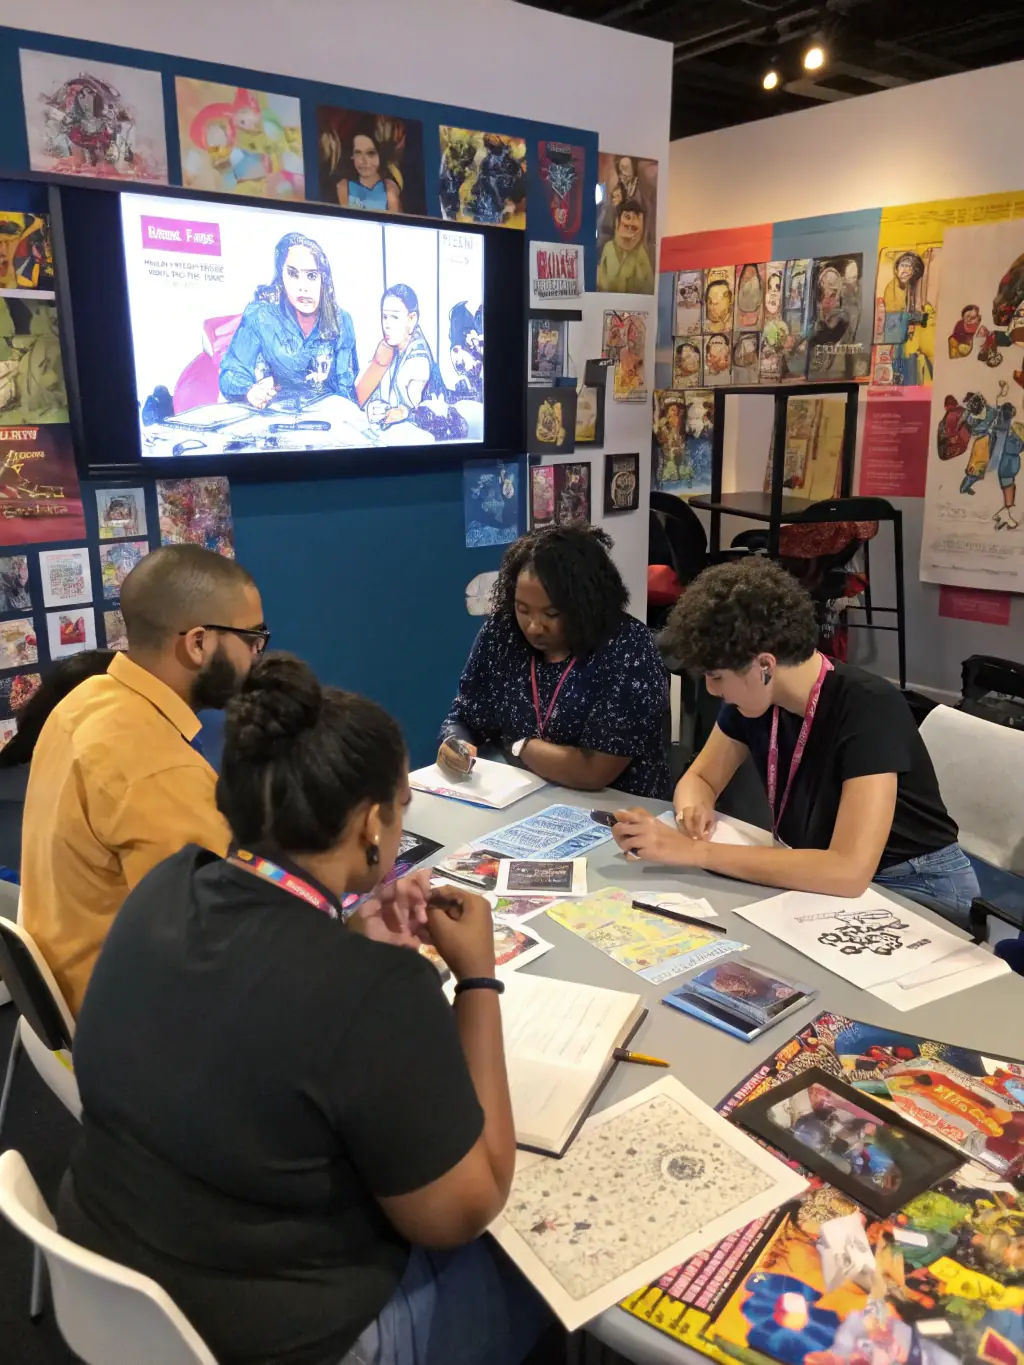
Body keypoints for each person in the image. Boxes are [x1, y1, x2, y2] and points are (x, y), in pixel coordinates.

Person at [58, 656, 547, 1365]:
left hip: (114, 1282)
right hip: (276, 1337)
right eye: (402, 803)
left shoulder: (168, 884)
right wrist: (477, 979)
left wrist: (346, 929)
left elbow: (261, 995)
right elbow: (465, 1208)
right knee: (541, 1270)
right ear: (371, 824)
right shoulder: (376, 989)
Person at [613, 558, 979, 922]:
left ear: (765, 666)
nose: (711, 690)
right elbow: (702, 778)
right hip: (821, 870)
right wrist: (691, 810)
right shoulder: (754, 701)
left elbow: (847, 871)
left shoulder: (869, 706)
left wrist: (694, 853)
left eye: (716, 677)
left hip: (915, 887)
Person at [20, 545, 266, 1014]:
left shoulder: (87, 697)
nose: (257, 655)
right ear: (198, 643)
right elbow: (226, 945)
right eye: (253, 638)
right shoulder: (160, 768)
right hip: (123, 1023)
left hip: (60, 990)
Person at [438, 525, 671, 798]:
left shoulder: (627, 649)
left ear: (586, 604)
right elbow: (465, 716)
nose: (534, 626)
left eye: (551, 614)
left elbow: (592, 772)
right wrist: (455, 743)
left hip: (618, 811)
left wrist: (521, 746)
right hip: (518, 799)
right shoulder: (502, 633)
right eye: (522, 609)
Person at [219, 232, 358, 410]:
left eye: (312, 276)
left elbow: (345, 387)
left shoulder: (342, 321)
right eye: (293, 274)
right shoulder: (260, 316)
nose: (303, 287)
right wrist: (250, 391)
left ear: (324, 279)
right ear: (281, 276)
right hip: (273, 419)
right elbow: (231, 373)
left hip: (325, 421)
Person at [355, 284, 441, 427]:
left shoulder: (418, 360)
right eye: (385, 317)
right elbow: (361, 395)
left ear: (412, 319)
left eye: (394, 317)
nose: (387, 325)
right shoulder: (389, 348)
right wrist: (372, 407)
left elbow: (418, 412)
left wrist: (403, 413)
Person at [333, 124, 402, 212]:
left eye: (371, 153)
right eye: (358, 153)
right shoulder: (344, 186)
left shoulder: (389, 187)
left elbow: (393, 220)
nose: (364, 161)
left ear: (380, 155)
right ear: (352, 156)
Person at [596, 198, 654, 294]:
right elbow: (602, 283)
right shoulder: (609, 248)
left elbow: (648, 287)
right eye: (627, 218)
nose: (631, 223)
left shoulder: (641, 253)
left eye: (636, 219)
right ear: (618, 222)